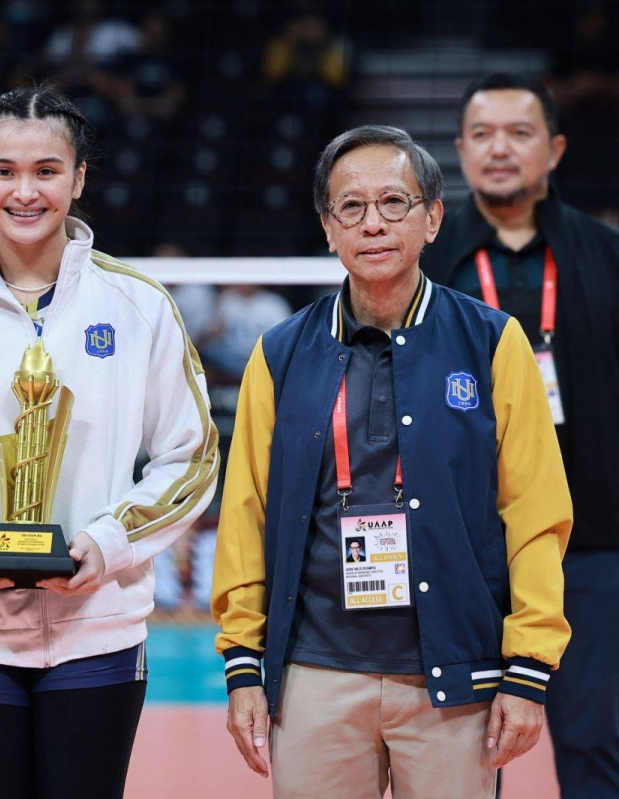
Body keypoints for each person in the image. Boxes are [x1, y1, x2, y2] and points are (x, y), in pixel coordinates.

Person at [0, 85, 219, 799]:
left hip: (97, 628)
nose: (25, 191)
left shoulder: (140, 306)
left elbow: (192, 455)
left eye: (47, 171)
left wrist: (110, 542)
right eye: (4, 171)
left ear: (79, 179)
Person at [212, 125, 572, 797]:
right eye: (351, 206)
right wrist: (242, 665)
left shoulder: (493, 342)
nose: (372, 222)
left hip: (455, 681)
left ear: (432, 217)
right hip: (315, 674)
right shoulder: (280, 353)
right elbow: (245, 516)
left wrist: (528, 667)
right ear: (327, 226)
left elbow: (535, 513)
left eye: (393, 202)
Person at [422, 73, 619, 796]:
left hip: (593, 546)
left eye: (519, 132)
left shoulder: (606, 256)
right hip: (461, 553)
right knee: (457, 755)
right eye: (482, 134)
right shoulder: (428, 265)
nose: (499, 149)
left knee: (598, 741)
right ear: (461, 150)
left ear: (555, 148)